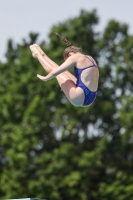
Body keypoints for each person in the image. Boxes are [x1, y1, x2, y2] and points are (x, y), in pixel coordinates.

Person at [29, 33, 99, 107]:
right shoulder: (90, 58)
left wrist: (46, 78)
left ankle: (37, 54)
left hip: (79, 96)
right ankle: (43, 54)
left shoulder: (74, 57)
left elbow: (55, 72)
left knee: (56, 71)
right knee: (62, 70)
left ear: (69, 55)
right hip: (91, 96)